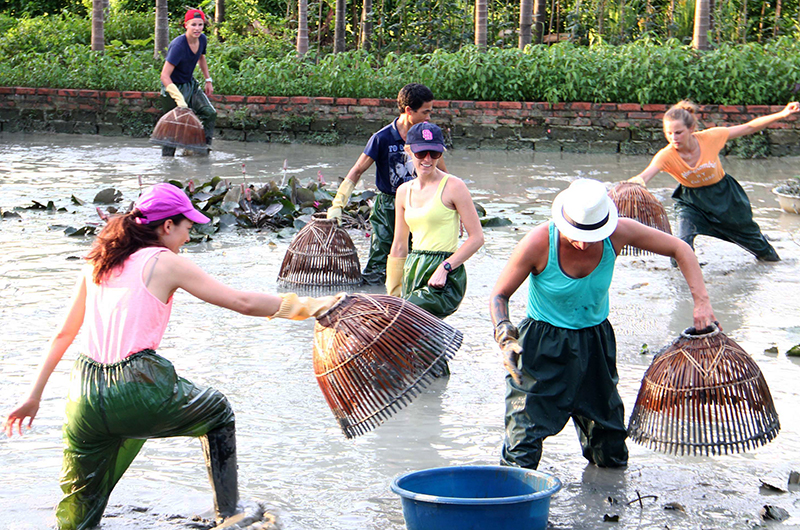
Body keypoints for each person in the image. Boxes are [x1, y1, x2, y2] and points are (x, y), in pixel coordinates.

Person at [3, 183, 342, 530]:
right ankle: (229, 514)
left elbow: (63, 334)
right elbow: (241, 302)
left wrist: (33, 397)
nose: (188, 237)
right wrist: (315, 306)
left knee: (79, 514)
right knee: (217, 411)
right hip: (135, 385)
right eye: (187, 227)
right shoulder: (164, 262)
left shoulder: (98, 260)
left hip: (83, 394)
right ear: (168, 225)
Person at [489, 178, 718, 470]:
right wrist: (505, 337)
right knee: (522, 448)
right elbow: (499, 295)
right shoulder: (538, 243)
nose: (583, 243)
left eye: (592, 235)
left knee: (610, 451)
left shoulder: (618, 234)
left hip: (594, 345)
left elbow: (680, 249)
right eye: (576, 234)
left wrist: (702, 302)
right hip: (542, 347)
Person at [629, 100, 800, 262]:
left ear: (691, 129)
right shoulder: (666, 155)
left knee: (762, 250)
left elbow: (749, 127)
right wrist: (631, 185)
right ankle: (682, 278)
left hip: (725, 197)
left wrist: (782, 114)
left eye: (678, 132)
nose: (674, 138)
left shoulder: (711, 137)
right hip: (691, 202)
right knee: (680, 245)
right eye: (669, 133)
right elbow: (644, 176)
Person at [327, 83, 448, 285]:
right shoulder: (381, 138)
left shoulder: (426, 137)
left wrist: (454, 207)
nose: (429, 118)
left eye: (430, 112)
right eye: (425, 112)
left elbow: (443, 174)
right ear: (409, 110)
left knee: (418, 255)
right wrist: (338, 203)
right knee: (380, 257)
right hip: (387, 207)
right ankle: (373, 296)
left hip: (418, 204)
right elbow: (357, 170)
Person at [386, 122, 484, 320]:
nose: (428, 159)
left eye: (435, 153)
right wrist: (392, 296)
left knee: (407, 315)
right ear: (408, 150)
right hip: (414, 270)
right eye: (421, 153)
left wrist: (445, 267)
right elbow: (399, 245)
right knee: (402, 324)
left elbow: (477, 238)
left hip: (446, 273)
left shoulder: (454, 186)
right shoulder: (403, 191)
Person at [159, 8, 217, 157]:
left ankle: (202, 149)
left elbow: (201, 57)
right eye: (193, 25)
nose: (197, 29)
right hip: (173, 87)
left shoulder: (202, 39)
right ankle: (167, 162)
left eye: (200, 24)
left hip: (190, 84)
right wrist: (179, 98)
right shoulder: (178, 46)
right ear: (186, 25)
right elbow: (164, 76)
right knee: (173, 128)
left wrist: (208, 80)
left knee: (210, 113)